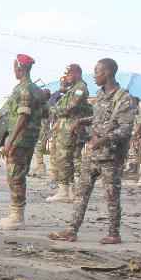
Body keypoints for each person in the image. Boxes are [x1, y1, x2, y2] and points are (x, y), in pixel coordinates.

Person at [49, 59, 138, 244]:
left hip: (111, 157)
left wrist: (104, 139)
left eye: (97, 72)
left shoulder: (124, 98)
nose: (94, 75)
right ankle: (72, 230)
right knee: (82, 192)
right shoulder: (99, 95)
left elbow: (125, 128)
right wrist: (81, 121)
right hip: (93, 154)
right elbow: (98, 119)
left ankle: (114, 233)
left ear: (107, 73)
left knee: (111, 196)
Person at [0, 54, 45, 230]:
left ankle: (17, 216)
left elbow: (22, 116)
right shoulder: (35, 89)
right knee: (17, 176)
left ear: (20, 68)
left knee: (15, 177)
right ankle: (16, 213)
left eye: (14, 67)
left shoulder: (24, 90)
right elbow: (46, 111)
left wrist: (9, 143)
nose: (14, 70)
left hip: (20, 140)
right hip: (28, 139)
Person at [46, 65, 90, 202]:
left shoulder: (80, 88)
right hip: (64, 127)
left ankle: (63, 191)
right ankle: (71, 190)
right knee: (66, 159)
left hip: (70, 128)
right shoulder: (72, 88)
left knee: (64, 159)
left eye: (69, 74)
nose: (67, 77)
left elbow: (69, 108)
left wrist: (52, 110)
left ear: (77, 73)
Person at [124, 107, 141, 176]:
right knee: (131, 150)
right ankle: (131, 166)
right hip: (131, 134)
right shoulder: (131, 109)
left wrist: (134, 134)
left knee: (136, 151)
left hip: (137, 135)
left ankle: (134, 168)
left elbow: (140, 124)